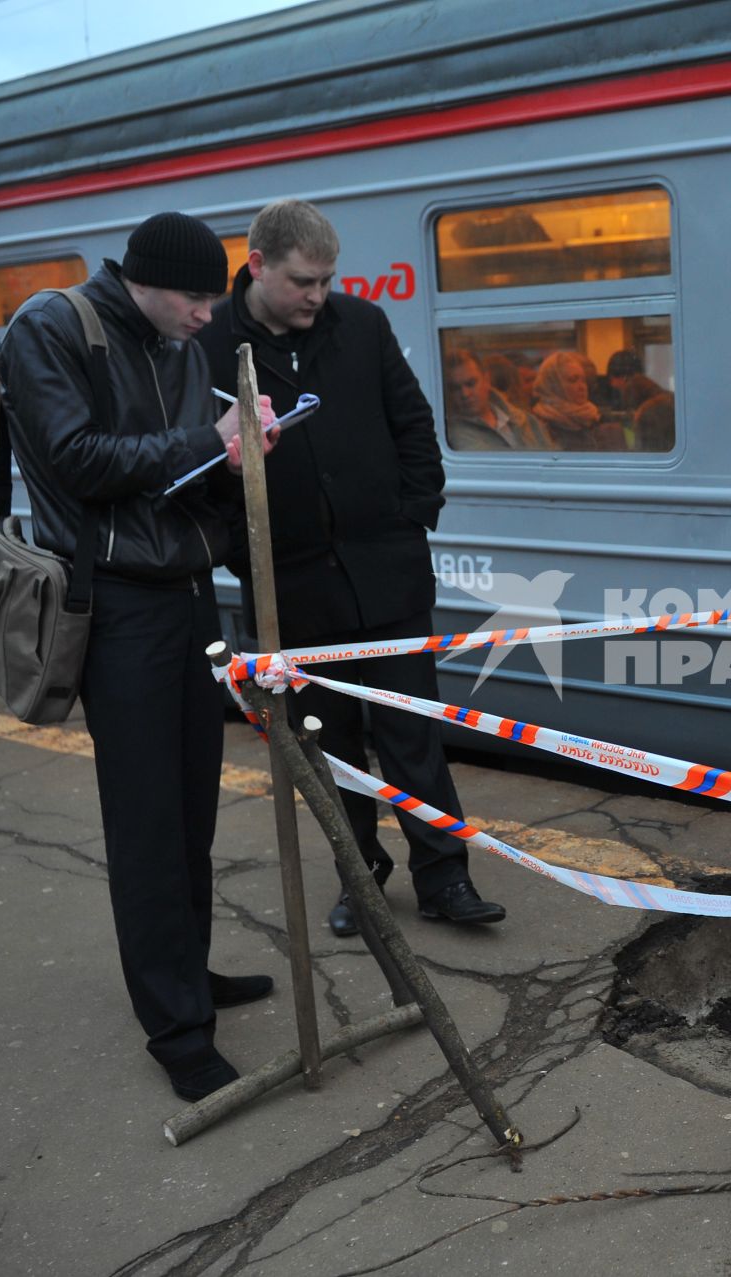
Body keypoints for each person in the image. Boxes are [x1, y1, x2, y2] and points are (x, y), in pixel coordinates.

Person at [0, 212, 277, 1102]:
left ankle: (186, 976)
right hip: (117, 607)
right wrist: (210, 444)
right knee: (149, 820)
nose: (206, 316)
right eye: (195, 299)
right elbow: (77, 459)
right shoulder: (52, 328)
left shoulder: (178, 346)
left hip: (188, 596)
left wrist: (236, 468)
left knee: (193, 806)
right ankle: (176, 1029)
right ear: (143, 282)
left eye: (211, 300)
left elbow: (172, 467)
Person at [196, 198, 505, 938]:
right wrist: (247, 554)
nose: (318, 295)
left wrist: (413, 512)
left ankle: (445, 877)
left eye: (328, 280)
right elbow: (208, 468)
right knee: (328, 748)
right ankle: (361, 880)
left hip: (387, 575)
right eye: (304, 281)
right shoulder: (211, 349)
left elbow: (411, 421)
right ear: (258, 264)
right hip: (292, 587)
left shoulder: (361, 326)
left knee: (413, 739)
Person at [444, 348, 548, 451]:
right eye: (455, 388)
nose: (465, 394)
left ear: (486, 380)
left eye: (471, 384)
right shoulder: (452, 433)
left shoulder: (523, 419)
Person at [531, 349, 624, 450]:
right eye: (573, 380)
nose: (582, 387)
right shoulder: (538, 425)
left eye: (583, 380)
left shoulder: (594, 418)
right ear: (554, 385)